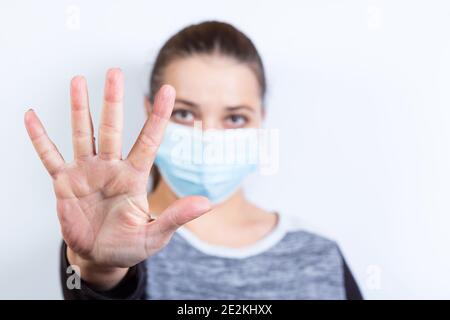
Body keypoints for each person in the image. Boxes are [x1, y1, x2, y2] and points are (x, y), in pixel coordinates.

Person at [24, 21, 362, 300]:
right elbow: (98, 277)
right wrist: (100, 271)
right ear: (150, 111)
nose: (208, 136)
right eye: (184, 113)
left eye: (235, 118)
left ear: (262, 118)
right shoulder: (108, 238)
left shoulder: (319, 255)